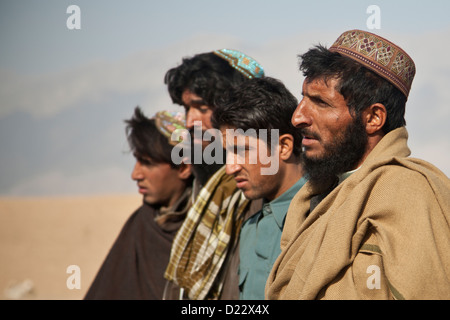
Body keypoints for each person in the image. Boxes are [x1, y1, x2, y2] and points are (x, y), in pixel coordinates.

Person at [265, 29, 450, 300]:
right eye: (303, 97)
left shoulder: (407, 190)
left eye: (320, 102)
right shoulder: (316, 195)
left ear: (374, 118)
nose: (297, 117)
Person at [163, 49, 265, 300]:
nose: (189, 121)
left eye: (201, 107)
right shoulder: (202, 177)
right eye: (187, 108)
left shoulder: (268, 182)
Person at [211, 76, 307, 300]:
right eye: (228, 153)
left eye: (242, 150)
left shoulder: (324, 216)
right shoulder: (249, 228)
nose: (230, 168)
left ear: (283, 147)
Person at [84, 107, 192, 300]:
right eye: (136, 161)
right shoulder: (140, 226)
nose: (136, 175)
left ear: (183, 167)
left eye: (147, 163)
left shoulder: (212, 229)